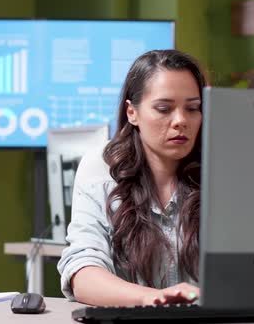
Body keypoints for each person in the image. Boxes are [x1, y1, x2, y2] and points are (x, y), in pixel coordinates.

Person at [57, 49, 206, 306]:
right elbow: (82, 272)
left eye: (193, 108)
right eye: (164, 108)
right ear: (131, 112)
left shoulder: (221, 172)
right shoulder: (101, 168)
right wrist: (154, 298)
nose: (181, 120)